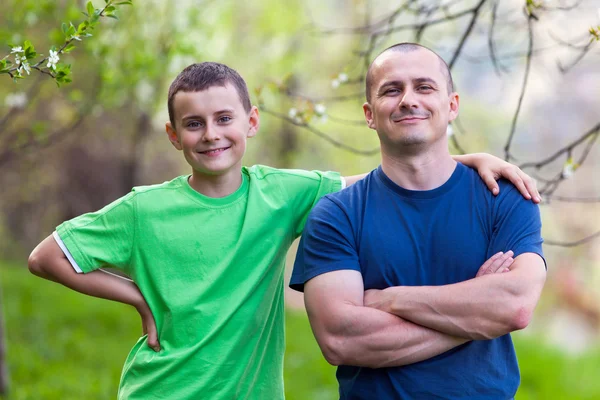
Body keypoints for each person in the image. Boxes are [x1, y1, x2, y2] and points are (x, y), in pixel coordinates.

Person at [28, 61, 539, 399]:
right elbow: (46, 256)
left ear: (250, 122)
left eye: (224, 119)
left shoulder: (281, 193)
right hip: (162, 389)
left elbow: (386, 176)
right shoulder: (145, 209)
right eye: (194, 124)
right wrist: (137, 298)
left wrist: (467, 160)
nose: (211, 135)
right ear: (173, 135)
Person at [291, 43, 546, 400]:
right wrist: (477, 316)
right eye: (392, 90)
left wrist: (392, 300)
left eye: (424, 87)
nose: (408, 100)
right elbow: (342, 340)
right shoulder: (336, 214)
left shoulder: (504, 196)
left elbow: (515, 306)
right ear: (369, 113)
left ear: (452, 104)